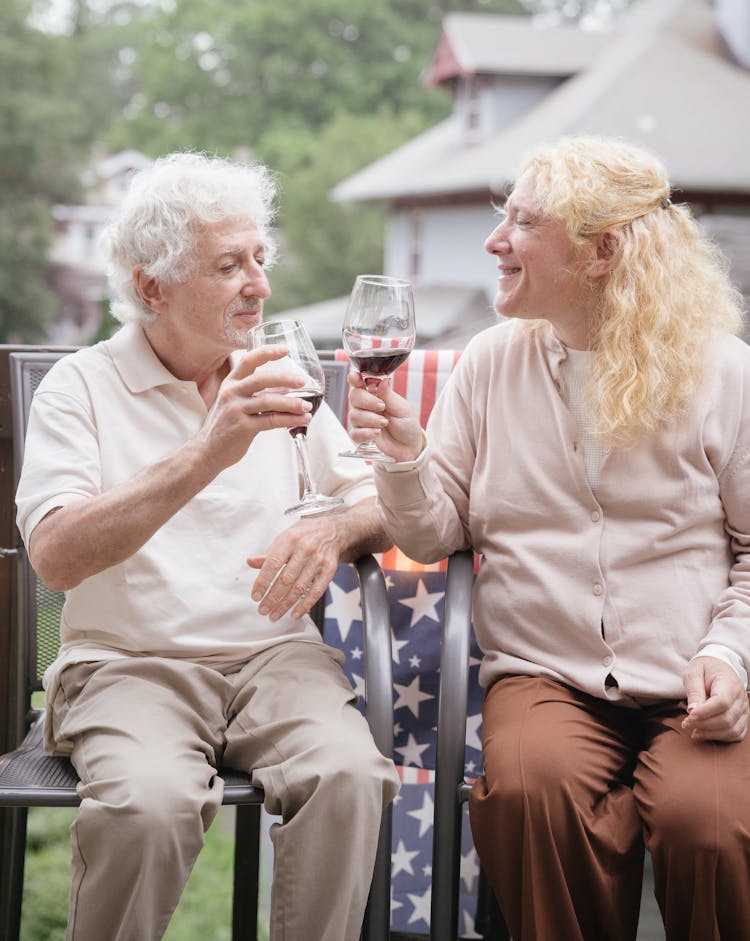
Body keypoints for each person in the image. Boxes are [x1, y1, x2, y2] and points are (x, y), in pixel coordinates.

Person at [347, 135, 750, 941]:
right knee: (532, 795)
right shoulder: (491, 364)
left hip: (695, 678)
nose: (495, 241)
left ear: (602, 251)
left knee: (710, 823)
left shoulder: (722, 371)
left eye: (523, 223)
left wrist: (732, 653)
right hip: (543, 674)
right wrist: (403, 457)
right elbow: (433, 533)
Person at [15, 151, 400, 941]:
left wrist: (332, 528)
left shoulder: (278, 374)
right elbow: (54, 555)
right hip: (129, 661)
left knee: (351, 775)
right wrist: (206, 451)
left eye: (261, 258)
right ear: (152, 286)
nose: (258, 283)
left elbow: (375, 503)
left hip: (274, 658)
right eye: (230, 265)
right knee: (146, 803)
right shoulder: (80, 386)